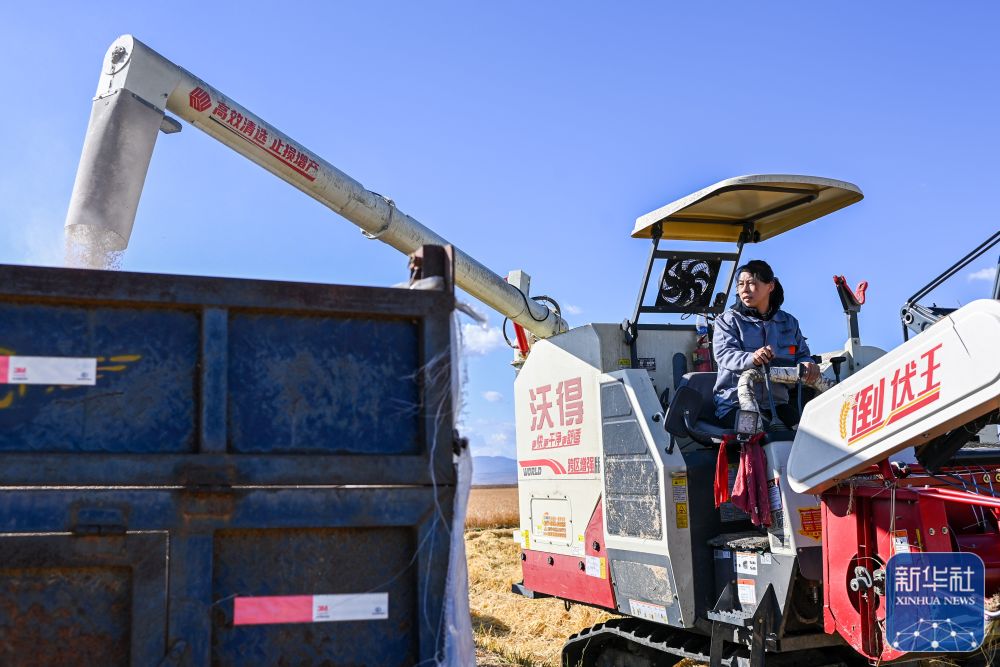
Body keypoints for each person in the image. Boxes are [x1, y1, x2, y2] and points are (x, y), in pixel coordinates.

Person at [712, 260, 820, 428]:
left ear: (770, 286)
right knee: (759, 436)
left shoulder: (789, 322)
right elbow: (725, 354)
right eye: (741, 284)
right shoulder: (727, 321)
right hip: (735, 404)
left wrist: (808, 364)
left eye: (752, 284)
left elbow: (801, 355)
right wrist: (752, 358)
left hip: (777, 404)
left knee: (804, 434)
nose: (745, 290)